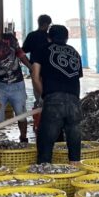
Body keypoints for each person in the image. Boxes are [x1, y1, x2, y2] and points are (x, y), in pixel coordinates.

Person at [30, 24, 83, 165]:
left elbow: (35, 76)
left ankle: (45, 178)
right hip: (74, 101)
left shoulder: (41, 49)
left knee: (45, 145)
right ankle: (75, 177)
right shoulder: (75, 52)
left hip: (53, 99)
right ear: (67, 37)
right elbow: (76, 77)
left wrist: (44, 96)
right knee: (74, 147)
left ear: (49, 37)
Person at [0, 14, 31, 142]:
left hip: (17, 84)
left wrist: (32, 69)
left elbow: (21, 55)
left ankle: (23, 138)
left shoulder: (10, 39)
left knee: (21, 115)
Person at [21, 14, 52, 129]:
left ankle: (38, 123)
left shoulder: (31, 36)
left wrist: (30, 66)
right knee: (48, 97)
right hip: (48, 72)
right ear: (46, 24)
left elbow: (22, 51)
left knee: (38, 97)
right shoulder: (49, 37)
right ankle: (46, 123)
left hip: (35, 72)